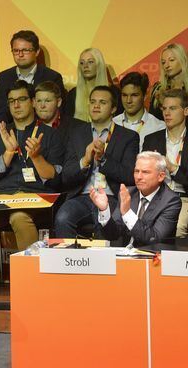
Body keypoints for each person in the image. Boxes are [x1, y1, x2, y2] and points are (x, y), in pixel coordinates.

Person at [0, 80, 65, 296]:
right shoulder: (0, 133)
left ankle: (31, 275)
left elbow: (56, 179)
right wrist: (7, 153)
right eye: (11, 101)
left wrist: (36, 157)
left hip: (35, 198)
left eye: (22, 99)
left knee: (19, 217)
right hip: (4, 197)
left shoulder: (51, 134)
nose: (16, 105)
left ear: (33, 102)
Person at [54, 86, 138, 238]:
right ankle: (70, 260)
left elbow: (129, 175)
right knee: (63, 217)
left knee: (104, 225)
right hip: (83, 196)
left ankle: (101, 262)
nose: (96, 106)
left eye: (102, 102)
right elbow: (66, 176)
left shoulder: (128, 136)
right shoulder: (76, 134)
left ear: (113, 108)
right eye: (92, 102)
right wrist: (84, 161)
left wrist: (104, 159)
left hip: (111, 197)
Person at [90, 151, 180, 246]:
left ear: (161, 176)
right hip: (124, 255)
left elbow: (154, 239)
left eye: (145, 172)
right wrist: (104, 210)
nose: (138, 177)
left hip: (152, 257)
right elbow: (113, 235)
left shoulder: (170, 201)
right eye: (136, 171)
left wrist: (127, 213)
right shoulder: (128, 193)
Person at [0, 30, 65, 130]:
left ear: (37, 52)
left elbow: (59, 112)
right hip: (12, 131)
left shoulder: (52, 77)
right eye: (16, 51)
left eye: (25, 50)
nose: (20, 55)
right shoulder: (4, 77)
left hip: (43, 133)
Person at [142, 88, 188, 237]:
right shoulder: (151, 139)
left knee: (178, 226)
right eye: (164, 108)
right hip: (157, 198)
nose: (167, 113)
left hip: (184, 198)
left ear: (186, 111)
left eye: (173, 108)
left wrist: (172, 168)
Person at [63, 48, 120, 122]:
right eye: (82, 63)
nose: (85, 66)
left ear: (99, 65)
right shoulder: (73, 94)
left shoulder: (114, 92)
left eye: (90, 62)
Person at [114, 72, 166, 150]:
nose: (128, 100)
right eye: (124, 95)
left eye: (134, 95)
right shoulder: (112, 124)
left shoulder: (159, 127)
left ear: (144, 96)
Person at [150, 43, 188, 120]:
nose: (167, 65)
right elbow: (153, 119)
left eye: (171, 60)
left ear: (182, 60)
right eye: (163, 62)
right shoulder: (158, 89)